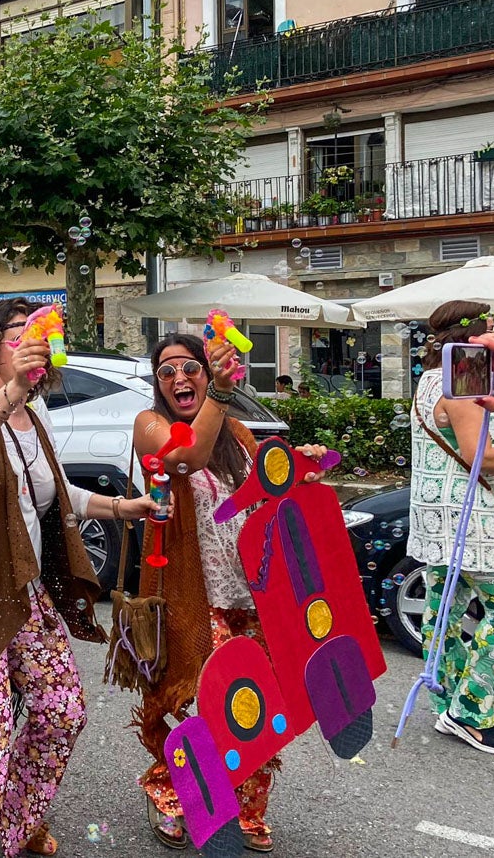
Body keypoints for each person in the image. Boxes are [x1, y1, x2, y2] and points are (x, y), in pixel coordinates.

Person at [0, 298, 155, 858]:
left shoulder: (36, 416)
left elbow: (53, 493)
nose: (31, 338)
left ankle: (11, 830)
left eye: (35, 330)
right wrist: (13, 388)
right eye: (17, 332)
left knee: (62, 711)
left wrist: (123, 508)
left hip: (20, 584)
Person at [130, 334, 330, 853]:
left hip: (253, 594)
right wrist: (219, 392)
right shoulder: (150, 427)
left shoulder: (238, 434)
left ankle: (247, 809)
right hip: (194, 594)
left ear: (205, 370)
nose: (179, 378)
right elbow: (185, 457)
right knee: (215, 704)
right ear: (157, 383)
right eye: (167, 370)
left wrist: (302, 466)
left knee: (260, 703)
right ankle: (173, 794)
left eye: (190, 367)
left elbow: (271, 486)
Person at [409, 300, 494, 756]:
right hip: (469, 521)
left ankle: (453, 699)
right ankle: (469, 712)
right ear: (480, 334)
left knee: (443, 611)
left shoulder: (431, 377)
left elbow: (475, 430)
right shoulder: (464, 371)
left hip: (436, 519)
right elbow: (481, 455)